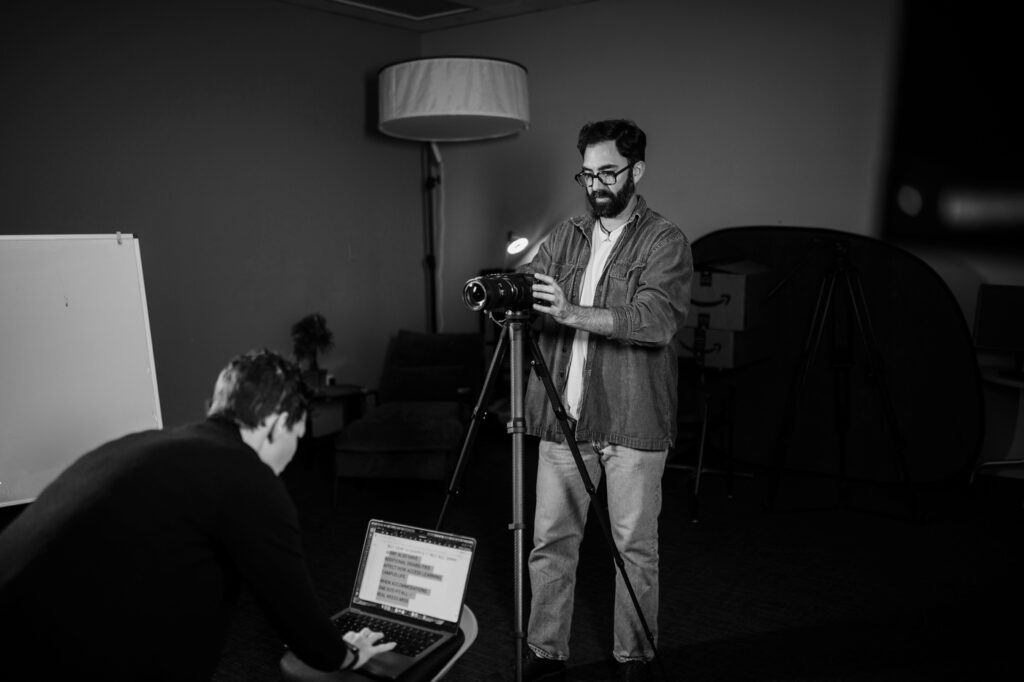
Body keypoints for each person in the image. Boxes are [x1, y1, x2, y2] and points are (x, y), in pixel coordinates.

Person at [0, 349, 395, 681]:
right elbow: (299, 621)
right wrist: (349, 655)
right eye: (297, 436)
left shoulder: (146, 444)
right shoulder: (248, 479)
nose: (294, 454)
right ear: (276, 425)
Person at [521, 119, 693, 682]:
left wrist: (570, 312)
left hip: (632, 421)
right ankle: (544, 652)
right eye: (587, 174)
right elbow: (532, 291)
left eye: (608, 173)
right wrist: (510, 294)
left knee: (634, 551)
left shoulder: (665, 241)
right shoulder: (565, 235)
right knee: (550, 543)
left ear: (636, 170)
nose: (595, 185)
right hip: (563, 420)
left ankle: (633, 660)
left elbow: (655, 321)